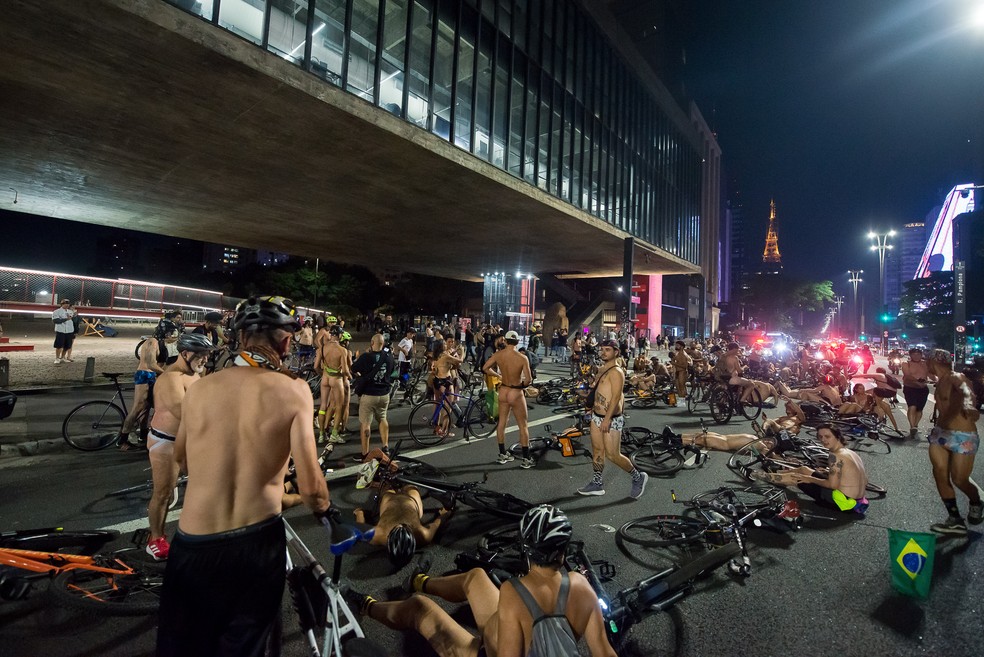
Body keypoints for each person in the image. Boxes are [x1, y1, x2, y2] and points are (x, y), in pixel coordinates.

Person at [157, 296, 330, 657]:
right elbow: (314, 491)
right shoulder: (294, 390)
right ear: (284, 341)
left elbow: (182, 457)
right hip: (255, 544)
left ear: (239, 337)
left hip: (193, 543)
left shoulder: (200, 388)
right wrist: (313, 506)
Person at [350, 505, 616, 657]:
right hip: (515, 640)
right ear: (563, 551)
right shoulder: (581, 587)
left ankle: (364, 605)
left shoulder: (515, 590)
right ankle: (420, 581)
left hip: (493, 650)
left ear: (525, 548)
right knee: (476, 576)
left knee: (420, 609)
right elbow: (604, 652)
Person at [144, 333, 214, 560]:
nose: (205, 360)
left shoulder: (193, 375)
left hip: (188, 442)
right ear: (185, 354)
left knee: (206, 488)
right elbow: (186, 413)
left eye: (207, 356)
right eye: (201, 356)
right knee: (163, 492)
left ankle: (197, 533)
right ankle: (155, 538)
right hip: (166, 441)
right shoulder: (171, 378)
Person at [576, 339, 648, 499]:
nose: (603, 352)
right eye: (602, 349)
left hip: (611, 418)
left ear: (616, 352)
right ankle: (597, 483)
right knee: (597, 450)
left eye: (607, 349)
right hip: (597, 416)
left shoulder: (617, 372)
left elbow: (616, 398)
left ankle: (638, 477)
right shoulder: (603, 370)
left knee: (613, 455)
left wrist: (607, 419)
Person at [924, 349, 982, 535]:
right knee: (940, 473)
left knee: (959, 479)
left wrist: (968, 404)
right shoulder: (939, 381)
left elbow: (966, 389)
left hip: (962, 436)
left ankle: (976, 502)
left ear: (933, 362)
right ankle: (955, 519)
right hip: (940, 433)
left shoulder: (955, 376)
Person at [755, 424, 870, 515]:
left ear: (837, 436)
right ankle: (776, 473)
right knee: (804, 469)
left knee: (797, 478)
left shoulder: (835, 456)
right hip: (858, 500)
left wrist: (808, 478)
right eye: (820, 437)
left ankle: (758, 475)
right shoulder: (850, 452)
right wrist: (826, 473)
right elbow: (863, 480)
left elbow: (832, 485)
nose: (823, 440)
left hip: (844, 503)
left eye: (827, 436)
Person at [483, 330, 534, 467]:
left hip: (503, 390)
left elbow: (485, 367)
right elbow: (528, 380)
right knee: (523, 425)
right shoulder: (522, 358)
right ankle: (526, 458)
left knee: (502, 423)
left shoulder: (499, 355)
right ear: (517, 342)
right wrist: (522, 384)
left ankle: (502, 454)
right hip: (515, 391)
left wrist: (498, 376)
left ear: (505, 341)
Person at [351, 334, 396, 462]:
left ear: (372, 342)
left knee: (366, 423)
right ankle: (385, 447)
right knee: (382, 418)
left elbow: (353, 369)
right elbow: (392, 371)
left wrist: (362, 375)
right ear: (383, 344)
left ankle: (365, 453)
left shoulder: (366, 357)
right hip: (384, 394)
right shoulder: (389, 357)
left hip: (369, 394)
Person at [119, 333, 167, 450]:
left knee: (146, 407)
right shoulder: (152, 342)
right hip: (144, 374)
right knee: (137, 408)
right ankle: (122, 440)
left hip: (150, 375)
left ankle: (143, 436)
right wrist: (167, 374)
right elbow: (151, 364)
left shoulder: (159, 343)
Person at [316, 325, 350, 444]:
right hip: (336, 379)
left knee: (323, 406)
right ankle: (334, 435)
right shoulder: (342, 350)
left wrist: (323, 373)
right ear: (340, 335)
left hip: (325, 378)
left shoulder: (322, 348)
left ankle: (321, 435)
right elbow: (345, 370)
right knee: (339, 406)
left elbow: (316, 366)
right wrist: (351, 377)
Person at [901, 347, 932, 438]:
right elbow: (907, 375)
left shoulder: (925, 364)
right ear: (910, 355)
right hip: (910, 388)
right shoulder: (906, 364)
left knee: (919, 409)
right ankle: (912, 426)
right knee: (912, 406)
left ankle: (916, 425)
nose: (916, 356)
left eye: (918, 354)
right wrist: (917, 381)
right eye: (914, 354)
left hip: (923, 389)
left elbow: (931, 375)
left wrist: (938, 380)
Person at [51, 298, 76, 364]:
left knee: (67, 346)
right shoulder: (56, 311)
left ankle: (62, 357)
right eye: (65, 303)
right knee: (59, 345)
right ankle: (57, 358)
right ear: (61, 304)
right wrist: (65, 319)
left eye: (68, 304)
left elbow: (75, 320)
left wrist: (75, 315)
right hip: (61, 330)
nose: (67, 305)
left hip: (69, 330)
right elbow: (55, 321)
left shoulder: (71, 311)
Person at [671, 340, 691, 404]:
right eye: (676, 345)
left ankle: (681, 402)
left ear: (681, 347)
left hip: (682, 372)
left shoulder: (683, 354)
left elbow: (685, 366)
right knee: (678, 387)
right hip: (678, 371)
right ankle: (680, 401)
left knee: (681, 386)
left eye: (677, 345)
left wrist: (674, 363)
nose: (676, 346)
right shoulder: (678, 353)